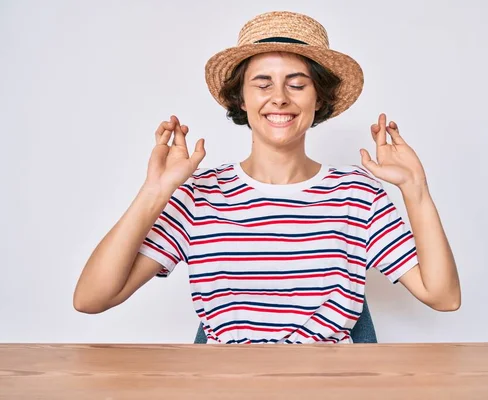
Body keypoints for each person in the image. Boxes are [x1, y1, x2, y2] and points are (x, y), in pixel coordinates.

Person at [73, 11, 461, 344]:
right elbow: (91, 299)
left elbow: (443, 297)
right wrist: (154, 191)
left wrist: (416, 189)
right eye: (262, 84)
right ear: (241, 99)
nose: (279, 97)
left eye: (297, 84)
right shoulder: (198, 195)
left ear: (319, 100)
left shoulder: (358, 195)